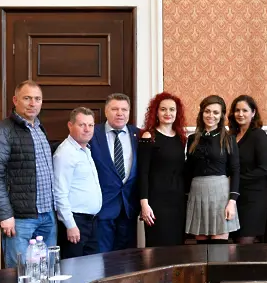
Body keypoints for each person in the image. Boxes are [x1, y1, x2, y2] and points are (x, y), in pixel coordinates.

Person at [0, 80, 57, 268]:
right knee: (20, 274)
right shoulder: (1, 132)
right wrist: (5, 215)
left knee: (47, 272)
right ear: (15, 100)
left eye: (37, 99)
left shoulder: (39, 128)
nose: (33, 103)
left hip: (47, 215)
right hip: (19, 219)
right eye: (27, 98)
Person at [185, 95, 240, 243]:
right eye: (207, 111)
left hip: (221, 194)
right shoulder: (192, 139)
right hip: (197, 193)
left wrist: (232, 201)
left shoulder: (229, 139)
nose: (211, 116)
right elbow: (188, 170)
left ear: (221, 115)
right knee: (201, 246)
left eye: (216, 112)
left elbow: (235, 171)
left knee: (219, 246)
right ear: (202, 113)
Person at [90, 93, 139, 252]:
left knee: (128, 259)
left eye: (124, 109)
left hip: (129, 208)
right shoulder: (92, 133)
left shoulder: (139, 135)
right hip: (102, 208)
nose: (120, 113)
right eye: (115, 109)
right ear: (106, 111)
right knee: (102, 258)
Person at [138, 92, 188, 247]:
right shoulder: (148, 136)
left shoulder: (180, 138)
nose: (168, 113)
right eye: (163, 109)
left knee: (177, 248)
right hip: (156, 202)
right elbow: (143, 173)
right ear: (156, 112)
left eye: (172, 109)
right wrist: (144, 204)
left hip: (178, 202)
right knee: (157, 248)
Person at [52, 107, 101, 258]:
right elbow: (59, 192)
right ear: (70, 125)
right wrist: (70, 225)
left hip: (91, 222)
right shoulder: (65, 153)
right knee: (73, 268)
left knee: (92, 267)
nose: (87, 129)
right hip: (75, 222)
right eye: (82, 125)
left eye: (90, 125)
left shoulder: (86, 150)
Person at [228, 95, 267, 244]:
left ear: (253, 113)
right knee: (234, 243)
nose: (240, 114)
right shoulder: (231, 136)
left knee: (245, 241)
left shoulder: (259, 135)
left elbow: (264, 169)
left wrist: (235, 180)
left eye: (245, 110)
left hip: (254, 198)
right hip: (234, 198)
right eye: (237, 110)